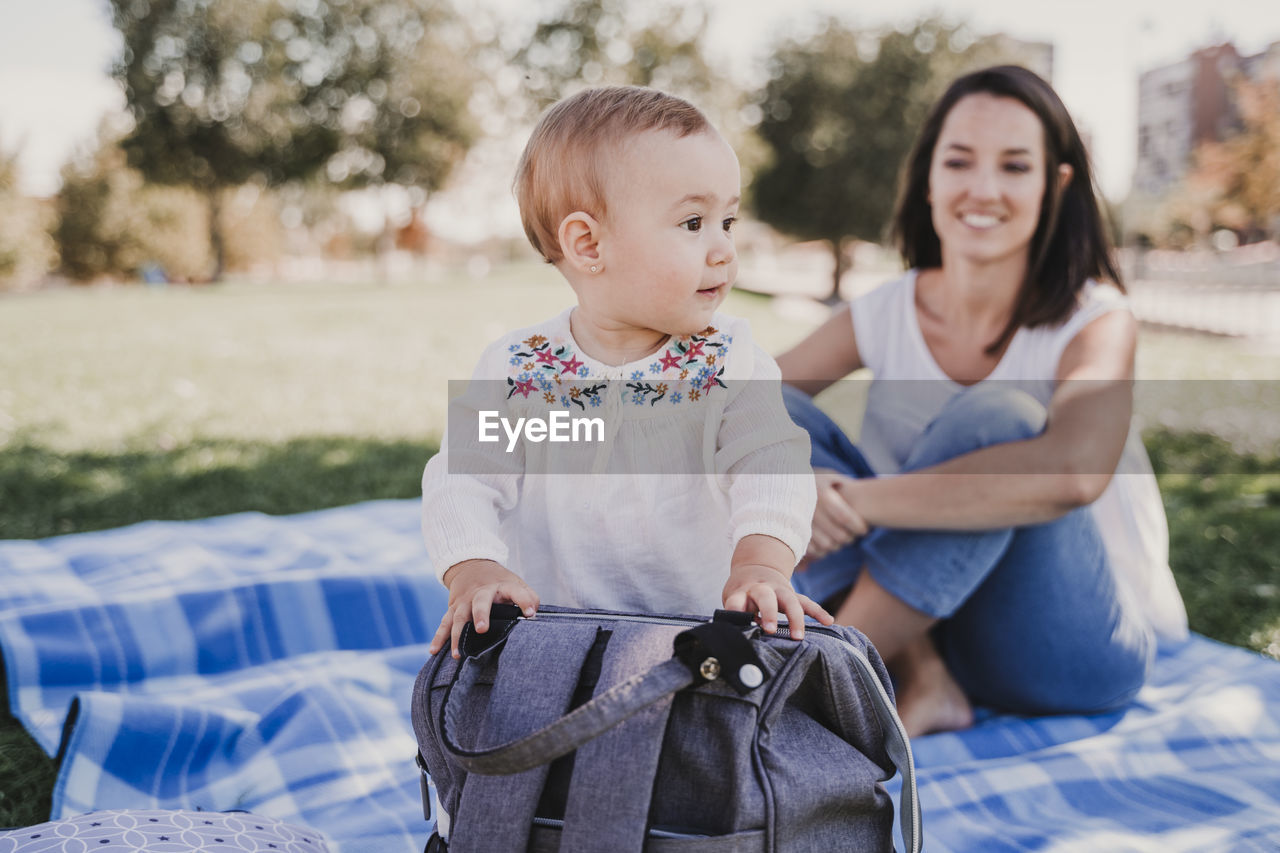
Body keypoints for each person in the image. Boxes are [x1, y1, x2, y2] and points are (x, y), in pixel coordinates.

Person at [776, 66, 1188, 737]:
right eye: (960, 161)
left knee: (997, 420)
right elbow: (729, 404)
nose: (984, 189)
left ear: (1055, 185)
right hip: (941, 628)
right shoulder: (886, 309)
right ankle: (924, 678)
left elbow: (1074, 472)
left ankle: (813, 690)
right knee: (771, 413)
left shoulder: (1098, 320)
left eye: (1015, 166)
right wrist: (793, 478)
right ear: (930, 176)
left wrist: (848, 502)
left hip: (1071, 647)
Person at [423, 86, 828, 659]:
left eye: (728, 221)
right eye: (693, 222)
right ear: (588, 243)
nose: (723, 251)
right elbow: (462, 480)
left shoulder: (728, 361)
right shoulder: (521, 371)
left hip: (701, 645)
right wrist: (475, 569)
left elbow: (771, 464)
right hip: (555, 648)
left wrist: (760, 563)